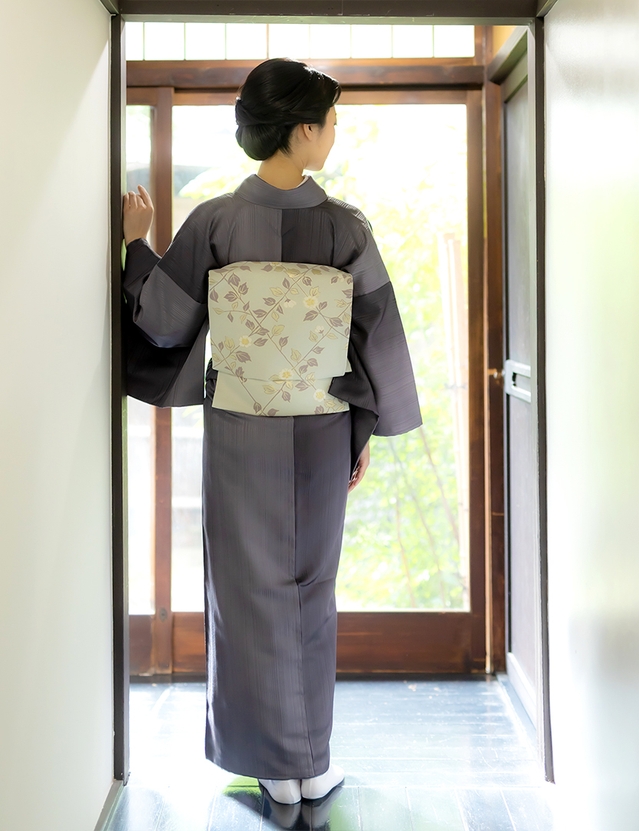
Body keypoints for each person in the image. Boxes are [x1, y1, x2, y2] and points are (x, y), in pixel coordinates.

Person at [122, 58, 422, 806]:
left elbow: (164, 321)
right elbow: (375, 336)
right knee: (310, 590)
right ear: (301, 130)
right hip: (320, 429)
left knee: (245, 590)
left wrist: (137, 247)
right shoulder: (345, 227)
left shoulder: (215, 221)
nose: (333, 134)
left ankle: (272, 768)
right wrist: (361, 430)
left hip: (241, 427)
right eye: (330, 122)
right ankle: (310, 762)